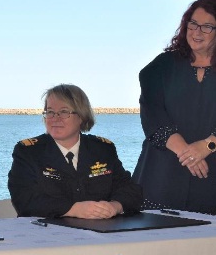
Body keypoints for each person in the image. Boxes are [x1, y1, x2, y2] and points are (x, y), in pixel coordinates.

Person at [132, 0, 216, 221]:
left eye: (207, 26)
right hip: (163, 176)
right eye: (192, 24)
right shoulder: (163, 65)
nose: (196, 32)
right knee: (158, 245)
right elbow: (152, 113)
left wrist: (206, 146)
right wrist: (186, 152)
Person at [8, 84, 142, 219]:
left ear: (81, 116)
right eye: (50, 112)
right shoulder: (28, 152)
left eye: (64, 112)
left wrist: (115, 206)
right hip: (45, 232)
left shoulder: (102, 149)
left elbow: (131, 191)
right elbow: (24, 200)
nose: (55, 118)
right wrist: (73, 210)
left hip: (101, 233)